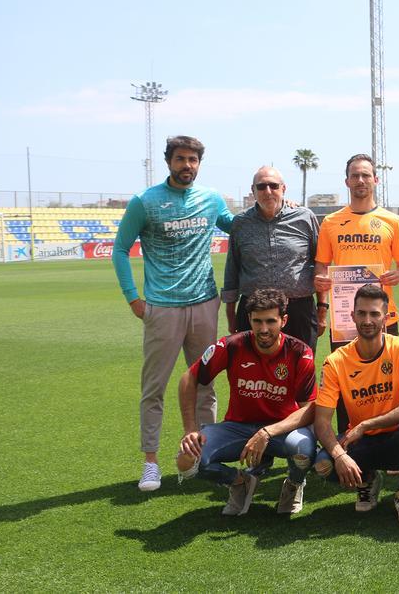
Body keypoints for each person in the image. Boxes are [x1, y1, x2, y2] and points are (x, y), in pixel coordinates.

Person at [112, 135, 234, 492]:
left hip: (204, 305)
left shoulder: (210, 199)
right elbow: (120, 250)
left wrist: (275, 203)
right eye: (181, 159)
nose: (187, 166)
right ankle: (150, 463)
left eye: (193, 160)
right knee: (154, 388)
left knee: (205, 387)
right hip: (161, 308)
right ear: (169, 161)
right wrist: (133, 298)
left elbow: (238, 226)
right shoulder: (145, 202)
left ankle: (202, 456)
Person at [174, 289, 317, 516]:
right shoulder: (231, 345)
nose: (263, 329)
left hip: (281, 429)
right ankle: (240, 482)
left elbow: (308, 410)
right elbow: (188, 379)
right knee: (188, 461)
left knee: (305, 451)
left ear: (284, 320)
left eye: (271, 321)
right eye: (257, 321)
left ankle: (294, 484)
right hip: (238, 427)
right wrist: (190, 429)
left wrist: (267, 433)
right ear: (249, 319)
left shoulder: (301, 352)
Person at [311, 285, 399, 524]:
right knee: (323, 464)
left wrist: (364, 425)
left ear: (386, 317)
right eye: (361, 313)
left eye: (374, 314)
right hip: (361, 442)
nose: (367, 320)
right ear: (352, 316)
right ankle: (368, 479)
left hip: (397, 439)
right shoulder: (335, 361)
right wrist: (340, 455)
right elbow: (321, 422)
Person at [314, 154, 399, 347]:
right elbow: (321, 265)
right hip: (345, 317)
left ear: (375, 180)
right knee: (345, 376)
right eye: (355, 175)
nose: (360, 180)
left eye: (365, 175)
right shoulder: (330, 222)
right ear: (347, 181)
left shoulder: (393, 221)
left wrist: (398, 275)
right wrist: (320, 278)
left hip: (384, 316)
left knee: (385, 376)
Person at [222, 166, 323, 349]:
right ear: (253, 191)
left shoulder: (305, 218)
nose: (268, 191)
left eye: (273, 186)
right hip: (254, 312)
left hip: (299, 310)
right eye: (261, 187)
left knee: (300, 369)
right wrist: (231, 315)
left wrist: (323, 310)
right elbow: (232, 270)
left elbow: (320, 264)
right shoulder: (240, 223)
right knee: (255, 372)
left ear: (283, 188)